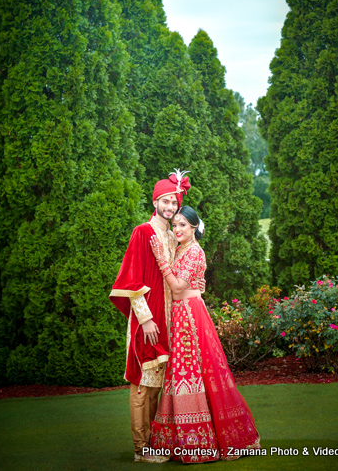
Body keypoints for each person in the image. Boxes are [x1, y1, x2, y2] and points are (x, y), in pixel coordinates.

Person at [149, 206, 260, 463]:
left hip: (189, 315)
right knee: (182, 372)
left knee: (193, 372)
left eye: (183, 225)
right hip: (180, 314)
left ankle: (201, 442)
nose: (177, 229)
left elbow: (177, 288)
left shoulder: (195, 252)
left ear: (194, 227)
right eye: (175, 225)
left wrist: (161, 260)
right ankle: (181, 441)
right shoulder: (180, 249)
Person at [109, 170, 194, 463]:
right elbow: (130, 279)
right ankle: (140, 447)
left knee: (158, 385)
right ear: (155, 201)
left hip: (169, 319)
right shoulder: (142, 232)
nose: (170, 208)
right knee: (143, 384)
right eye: (165, 202)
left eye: (174, 203)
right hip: (148, 319)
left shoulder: (172, 236)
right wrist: (145, 319)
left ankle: (153, 443)